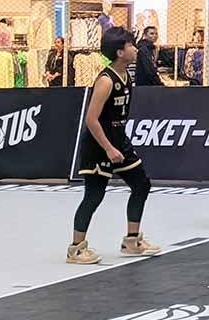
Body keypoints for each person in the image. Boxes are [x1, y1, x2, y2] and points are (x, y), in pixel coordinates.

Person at [67, 27, 161, 264]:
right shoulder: (106, 81)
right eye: (131, 45)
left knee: (142, 184)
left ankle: (132, 240)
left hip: (119, 139)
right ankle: (76, 248)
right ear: (120, 52)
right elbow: (91, 119)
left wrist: (116, 144)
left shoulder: (126, 76)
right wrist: (108, 148)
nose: (135, 48)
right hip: (99, 144)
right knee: (94, 195)